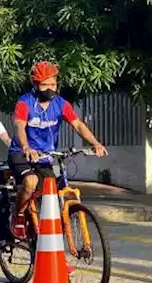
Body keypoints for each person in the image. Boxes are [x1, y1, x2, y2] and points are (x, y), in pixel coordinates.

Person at [8, 61, 107, 236]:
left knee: (51, 189)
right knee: (30, 182)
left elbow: (77, 124)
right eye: (44, 85)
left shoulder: (61, 104)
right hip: (21, 153)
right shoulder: (25, 103)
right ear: (36, 85)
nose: (49, 88)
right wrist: (26, 147)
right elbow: (19, 126)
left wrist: (95, 143)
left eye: (52, 84)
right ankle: (19, 215)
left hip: (46, 156)